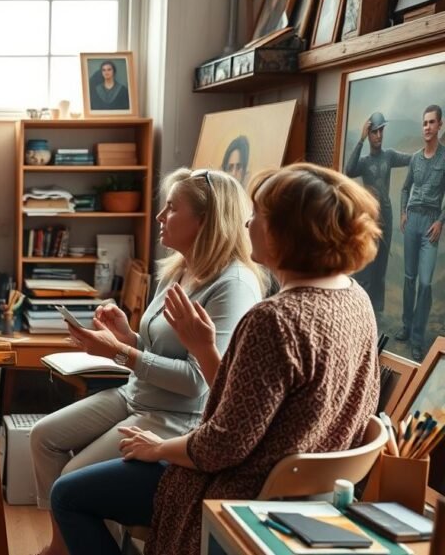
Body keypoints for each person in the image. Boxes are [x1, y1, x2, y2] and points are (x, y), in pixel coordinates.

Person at [50, 163, 382, 555]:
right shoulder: (356, 298)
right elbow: (248, 403)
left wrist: (158, 448)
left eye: (257, 216)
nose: (246, 225)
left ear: (286, 233)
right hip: (309, 494)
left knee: (68, 494)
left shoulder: (273, 318)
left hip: (242, 489)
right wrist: (203, 349)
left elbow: (221, 447)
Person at [30, 168, 265, 555]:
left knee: (72, 478)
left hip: (176, 414)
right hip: (136, 396)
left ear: (204, 221)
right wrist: (128, 337)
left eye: (171, 209)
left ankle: (71, 545)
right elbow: (159, 349)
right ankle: (65, 545)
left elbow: (198, 381)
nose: (160, 217)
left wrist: (122, 352)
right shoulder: (178, 269)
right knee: (43, 437)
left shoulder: (233, 286)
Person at [345, 112, 411, 315]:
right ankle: (361, 311)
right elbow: (349, 171)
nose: (379, 135)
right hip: (370, 220)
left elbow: (411, 159)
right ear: (369, 134)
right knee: (367, 268)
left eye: (381, 130)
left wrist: (433, 149)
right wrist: (361, 139)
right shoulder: (364, 162)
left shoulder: (389, 156)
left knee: (381, 268)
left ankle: (377, 313)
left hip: (387, 219)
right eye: (375, 132)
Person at [398, 104, 445, 361]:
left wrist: (440, 221)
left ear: (440, 126)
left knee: (425, 283)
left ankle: (417, 338)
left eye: (432, 122)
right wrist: (403, 211)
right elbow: (405, 188)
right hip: (413, 220)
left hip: (430, 224)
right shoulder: (415, 158)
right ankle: (406, 326)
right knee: (409, 277)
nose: (427, 127)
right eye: (424, 123)